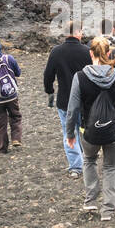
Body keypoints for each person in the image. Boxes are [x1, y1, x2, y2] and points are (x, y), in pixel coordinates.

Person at [65, 36, 115, 221]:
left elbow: (72, 109)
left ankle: (90, 201)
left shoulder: (80, 77)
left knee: (89, 161)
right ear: (108, 53)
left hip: (88, 132)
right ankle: (107, 210)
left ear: (90, 53)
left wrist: (69, 133)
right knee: (111, 167)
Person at [43, 21, 92, 178]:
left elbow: (48, 76)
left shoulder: (56, 52)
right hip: (85, 100)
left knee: (69, 132)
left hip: (65, 100)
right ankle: (86, 162)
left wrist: (50, 92)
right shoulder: (87, 51)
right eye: (82, 31)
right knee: (84, 131)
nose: (83, 34)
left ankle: (75, 167)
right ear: (77, 32)